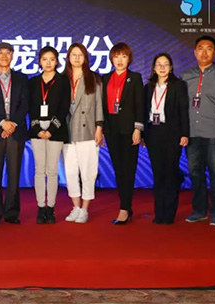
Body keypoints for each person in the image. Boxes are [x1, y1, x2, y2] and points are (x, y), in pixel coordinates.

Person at [182, 36, 215, 227]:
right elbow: (180, 106)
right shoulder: (185, 76)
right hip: (191, 132)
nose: (204, 52)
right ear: (194, 52)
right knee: (194, 173)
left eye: (209, 48)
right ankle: (199, 210)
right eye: (200, 48)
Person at [0, 42, 30, 225]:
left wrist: (12, 124)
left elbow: (25, 104)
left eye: (7, 53)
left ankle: (11, 212)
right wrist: (3, 123)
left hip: (16, 131)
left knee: (14, 174)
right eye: (0, 53)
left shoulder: (22, 78)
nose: (4, 56)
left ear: (12, 56)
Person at [143, 53, 189, 225]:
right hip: (153, 133)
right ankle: (159, 212)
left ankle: (169, 214)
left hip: (172, 133)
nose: (162, 67)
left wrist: (184, 133)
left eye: (166, 64)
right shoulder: (148, 87)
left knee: (170, 172)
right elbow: (144, 111)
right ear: (154, 68)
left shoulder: (178, 86)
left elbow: (183, 109)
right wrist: (143, 134)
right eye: (159, 64)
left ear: (171, 68)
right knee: (158, 173)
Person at [102, 42, 144, 225]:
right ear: (111, 58)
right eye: (116, 56)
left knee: (128, 169)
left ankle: (125, 208)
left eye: (124, 56)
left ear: (129, 59)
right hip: (112, 130)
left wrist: (138, 129)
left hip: (130, 131)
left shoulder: (135, 78)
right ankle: (125, 206)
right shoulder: (105, 78)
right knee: (119, 170)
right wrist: (102, 129)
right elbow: (102, 106)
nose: (120, 60)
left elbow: (140, 105)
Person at [62, 43, 104, 224]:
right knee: (70, 172)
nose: (77, 58)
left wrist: (99, 128)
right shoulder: (63, 78)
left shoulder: (93, 78)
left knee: (88, 172)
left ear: (85, 58)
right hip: (67, 131)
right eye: (74, 54)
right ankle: (76, 207)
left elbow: (99, 105)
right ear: (68, 57)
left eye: (80, 55)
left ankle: (85, 209)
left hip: (88, 131)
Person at [28, 46, 70, 224]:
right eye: (44, 59)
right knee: (39, 170)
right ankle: (40, 208)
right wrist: (37, 128)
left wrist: (51, 129)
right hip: (37, 129)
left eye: (52, 59)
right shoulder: (33, 82)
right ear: (39, 61)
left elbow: (64, 107)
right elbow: (30, 107)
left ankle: (50, 208)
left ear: (57, 61)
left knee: (52, 171)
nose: (48, 63)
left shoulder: (63, 81)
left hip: (56, 129)